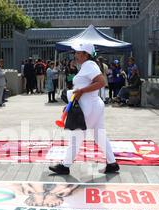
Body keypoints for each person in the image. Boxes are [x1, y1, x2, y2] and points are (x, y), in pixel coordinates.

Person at [49, 43, 120, 175]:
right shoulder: (87, 66)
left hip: (87, 107)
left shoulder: (89, 65)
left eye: (78, 53)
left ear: (86, 54)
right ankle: (112, 163)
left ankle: (65, 166)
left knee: (77, 135)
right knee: (99, 135)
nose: (75, 55)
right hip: (93, 105)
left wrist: (81, 90)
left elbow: (101, 82)